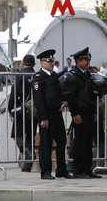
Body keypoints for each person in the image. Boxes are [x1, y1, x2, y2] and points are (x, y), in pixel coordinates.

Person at [32, 49, 72, 180]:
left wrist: (65, 101)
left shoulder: (55, 76)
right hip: (47, 115)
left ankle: (61, 170)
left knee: (61, 142)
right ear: (42, 63)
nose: (51, 63)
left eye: (52, 61)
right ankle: (46, 171)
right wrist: (43, 118)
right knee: (46, 145)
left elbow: (62, 92)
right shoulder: (39, 78)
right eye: (48, 61)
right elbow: (38, 100)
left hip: (57, 114)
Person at [68, 47, 101, 179]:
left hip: (88, 112)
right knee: (80, 143)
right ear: (77, 61)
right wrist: (75, 114)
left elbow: (91, 95)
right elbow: (71, 96)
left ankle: (87, 169)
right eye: (85, 59)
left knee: (88, 142)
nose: (87, 62)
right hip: (79, 113)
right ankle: (79, 170)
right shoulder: (73, 75)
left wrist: (94, 112)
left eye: (88, 59)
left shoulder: (87, 74)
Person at [8, 54, 37, 172]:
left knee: (17, 134)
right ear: (34, 64)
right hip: (35, 110)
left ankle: (28, 152)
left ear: (23, 64)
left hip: (22, 109)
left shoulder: (20, 75)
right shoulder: (37, 75)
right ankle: (27, 166)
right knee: (30, 136)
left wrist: (11, 109)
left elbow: (14, 93)